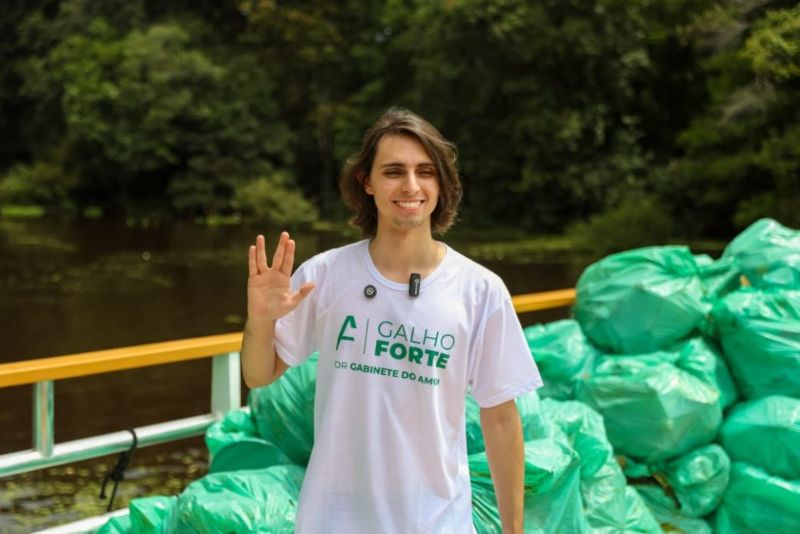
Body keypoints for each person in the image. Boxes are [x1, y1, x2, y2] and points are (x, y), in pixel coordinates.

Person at [241, 108, 542, 533]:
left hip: (435, 522)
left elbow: (501, 418)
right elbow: (258, 375)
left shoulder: (480, 290)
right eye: (394, 171)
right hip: (333, 521)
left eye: (425, 172)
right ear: (367, 182)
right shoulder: (326, 275)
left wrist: (513, 531)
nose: (411, 186)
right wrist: (260, 322)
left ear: (441, 184)